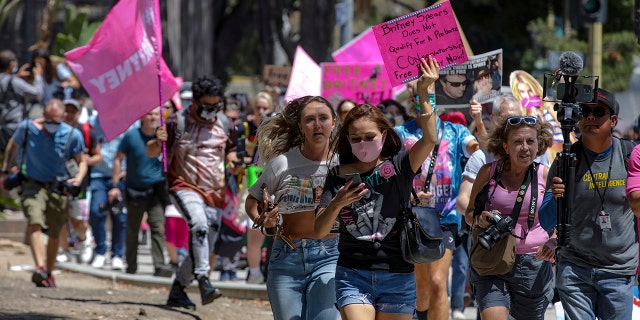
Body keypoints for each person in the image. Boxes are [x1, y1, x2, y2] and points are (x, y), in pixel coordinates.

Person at [314, 56, 439, 320]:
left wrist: (424, 93)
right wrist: (337, 203)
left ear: (383, 134)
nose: (363, 143)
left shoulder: (400, 164)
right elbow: (319, 230)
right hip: (352, 274)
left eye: (369, 137)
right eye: (355, 138)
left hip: (398, 275)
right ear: (347, 140)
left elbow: (430, 138)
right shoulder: (338, 174)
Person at [539, 89, 639, 320]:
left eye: (598, 111)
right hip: (575, 268)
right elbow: (545, 220)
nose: (590, 117)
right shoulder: (565, 160)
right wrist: (556, 199)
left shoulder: (630, 155)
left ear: (613, 120)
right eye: (584, 111)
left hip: (618, 270)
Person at [245, 95, 340, 319]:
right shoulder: (282, 163)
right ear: (300, 126)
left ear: (333, 123)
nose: (317, 124)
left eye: (323, 118)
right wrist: (263, 219)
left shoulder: (344, 164)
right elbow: (252, 200)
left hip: (330, 257)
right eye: (310, 119)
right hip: (285, 257)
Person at [151, 75, 240, 309]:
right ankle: (203, 279)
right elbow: (152, 151)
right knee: (198, 226)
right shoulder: (176, 122)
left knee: (201, 246)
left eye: (216, 106)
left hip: (215, 193)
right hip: (183, 186)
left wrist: (234, 162)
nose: (211, 111)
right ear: (194, 102)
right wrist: (155, 140)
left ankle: (178, 290)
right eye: (206, 106)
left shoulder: (225, 123)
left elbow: (230, 150)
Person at [396, 78, 480, 320]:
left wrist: (480, 124)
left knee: (436, 282)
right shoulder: (401, 134)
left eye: (431, 96)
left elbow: (482, 151)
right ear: (413, 101)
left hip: (445, 217)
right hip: (413, 219)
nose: (426, 101)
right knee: (421, 290)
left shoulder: (455, 131)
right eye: (421, 96)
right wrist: (412, 195)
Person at [464, 114, 555, 319]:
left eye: (530, 141)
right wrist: (479, 219)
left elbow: (560, 218)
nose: (525, 147)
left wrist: (553, 241)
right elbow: (469, 214)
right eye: (517, 142)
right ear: (505, 146)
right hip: (492, 257)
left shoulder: (545, 175)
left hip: (533, 263)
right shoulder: (488, 173)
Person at [0, 98, 86, 287]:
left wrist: (78, 179)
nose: (51, 125)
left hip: (58, 187)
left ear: (63, 117)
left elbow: (82, 162)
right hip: (33, 184)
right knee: (35, 222)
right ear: (43, 116)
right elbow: (12, 146)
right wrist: (6, 169)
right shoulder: (27, 128)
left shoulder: (73, 135)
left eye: (56, 121)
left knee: (55, 232)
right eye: (49, 120)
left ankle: (48, 271)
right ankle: (40, 268)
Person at [109, 107, 173, 277]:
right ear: (142, 117)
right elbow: (118, 158)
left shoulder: (164, 138)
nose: (153, 117)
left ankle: (159, 266)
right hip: (134, 189)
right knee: (132, 229)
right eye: (149, 114)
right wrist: (115, 185)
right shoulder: (131, 136)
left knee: (158, 227)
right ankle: (131, 266)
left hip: (156, 189)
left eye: (156, 114)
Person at [56, 98, 101, 265]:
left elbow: (98, 156)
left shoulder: (87, 131)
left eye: (72, 111)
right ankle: (65, 249)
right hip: (58, 182)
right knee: (60, 219)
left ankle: (84, 238)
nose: (68, 114)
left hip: (80, 184)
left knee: (78, 219)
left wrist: (83, 161)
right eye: (65, 110)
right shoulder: (55, 131)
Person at [245, 91, 276, 284]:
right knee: (254, 232)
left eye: (265, 108)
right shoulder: (245, 128)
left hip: (273, 187)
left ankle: (268, 274)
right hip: (252, 186)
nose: (261, 111)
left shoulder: (277, 130)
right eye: (258, 108)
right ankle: (254, 274)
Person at [509, 70, 563, 161]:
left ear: (534, 87)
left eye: (529, 90)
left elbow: (568, 133)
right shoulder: (521, 114)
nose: (527, 95)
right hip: (544, 160)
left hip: (562, 155)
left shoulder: (549, 106)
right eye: (522, 91)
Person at [0, 49, 44, 152]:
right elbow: (37, 93)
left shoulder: (12, 80)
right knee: (15, 160)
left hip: (2, 126)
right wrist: (38, 76)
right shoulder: (15, 82)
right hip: (15, 127)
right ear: (11, 64)